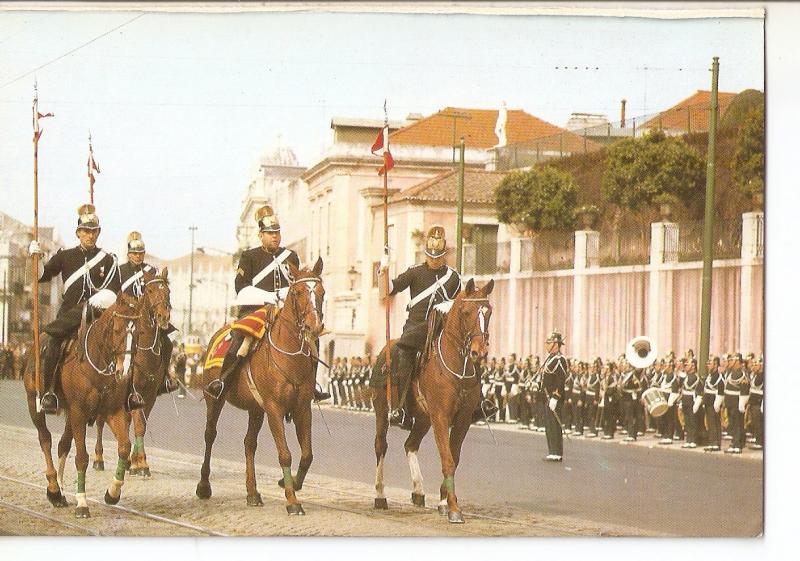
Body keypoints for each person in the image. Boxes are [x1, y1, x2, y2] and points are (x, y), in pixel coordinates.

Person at [204, 205, 330, 402]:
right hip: (257, 310)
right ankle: (223, 381)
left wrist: (287, 296)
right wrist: (270, 296)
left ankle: (311, 385)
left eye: (277, 233)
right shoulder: (249, 257)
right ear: (260, 235)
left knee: (312, 337)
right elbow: (241, 287)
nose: (275, 237)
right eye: (270, 233)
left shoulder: (290, 257)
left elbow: (297, 287)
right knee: (240, 337)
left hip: (285, 311)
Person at [377, 225, 495, 429]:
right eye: (431, 257)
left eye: (438, 257)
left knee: (471, 351)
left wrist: (448, 305)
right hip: (417, 326)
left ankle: (478, 402)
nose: (434, 260)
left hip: (443, 326)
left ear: (444, 255)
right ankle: (403, 409)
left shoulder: (453, 277)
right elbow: (387, 291)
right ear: (426, 254)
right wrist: (383, 271)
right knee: (404, 352)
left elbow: (461, 303)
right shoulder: (414, 272)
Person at [28, 204, 139, 414]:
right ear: (78, 233)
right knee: (53, 342)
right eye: (86, 231)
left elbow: (114, 291)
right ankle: (49, 392)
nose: (90, 236)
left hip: (97, 317)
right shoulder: (65, 256)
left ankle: (126, 394)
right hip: (69, 315)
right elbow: (42, 276)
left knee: (125, 343)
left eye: (94, 231)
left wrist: (96, 303)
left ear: (98, 233)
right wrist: (34, 259)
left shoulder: (108, 260)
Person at [118, 231, 178, 394]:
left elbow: (159, 293)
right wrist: (129, 301)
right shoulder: (120, 271)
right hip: (127, 314)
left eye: (140, 253)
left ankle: (165, 377)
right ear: (129, 254)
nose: (138, 256)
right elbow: (116, 293)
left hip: (148, 316)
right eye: (134, 253)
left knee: (167, 342)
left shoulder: (151, 271)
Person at [541, 330, 567, 461]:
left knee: (554, 425)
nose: (547, 344)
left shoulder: (560, 360)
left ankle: (557, 452)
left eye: (549, 342)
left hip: (553, 398)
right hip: (547, 396)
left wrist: (556, 397)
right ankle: (552, 450)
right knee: (549, 425)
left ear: (556, 344)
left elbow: (561, 380)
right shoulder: (550, 359)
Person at [723, 353, 750, 454]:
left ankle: (738, 444)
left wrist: (742, 402)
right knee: (732, 424)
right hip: (730, 401)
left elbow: (745, 389)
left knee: (738, 424)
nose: (730, 362)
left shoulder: (743, 374)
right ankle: (734, 443)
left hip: (737, 402)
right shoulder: (730, 373)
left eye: (732, 360)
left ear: (738, 361)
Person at [703, 355, 725, 452]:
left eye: (710, 363)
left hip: (714, 402)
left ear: (715, 364)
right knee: (710, 423)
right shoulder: (710, 376)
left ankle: (716, 442)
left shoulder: (719, 377)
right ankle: (711, 441)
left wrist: (718, 403)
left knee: (715, 423)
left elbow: (720, 389)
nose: (707, 365)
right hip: (708, 402)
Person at [680, 359, 702, 448]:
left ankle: (693, 440)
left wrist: (697, 403)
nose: (685, 367)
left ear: (693, 366)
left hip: (692, 401)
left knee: (693, 421)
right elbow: (683, 389)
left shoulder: (696, 378)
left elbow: (699, 392)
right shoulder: (686, 377)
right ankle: (688, 439)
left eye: (687, 365)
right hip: (685, 400)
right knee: (687, 421)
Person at [748, 355, 763, 450]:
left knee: (759, 423)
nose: (753, 366)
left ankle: (760, 441)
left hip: (758, 401)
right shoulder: (755, 375)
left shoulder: (762, 376)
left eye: (756, 364)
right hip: (753, 401)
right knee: (755, 422)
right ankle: (757, 438)